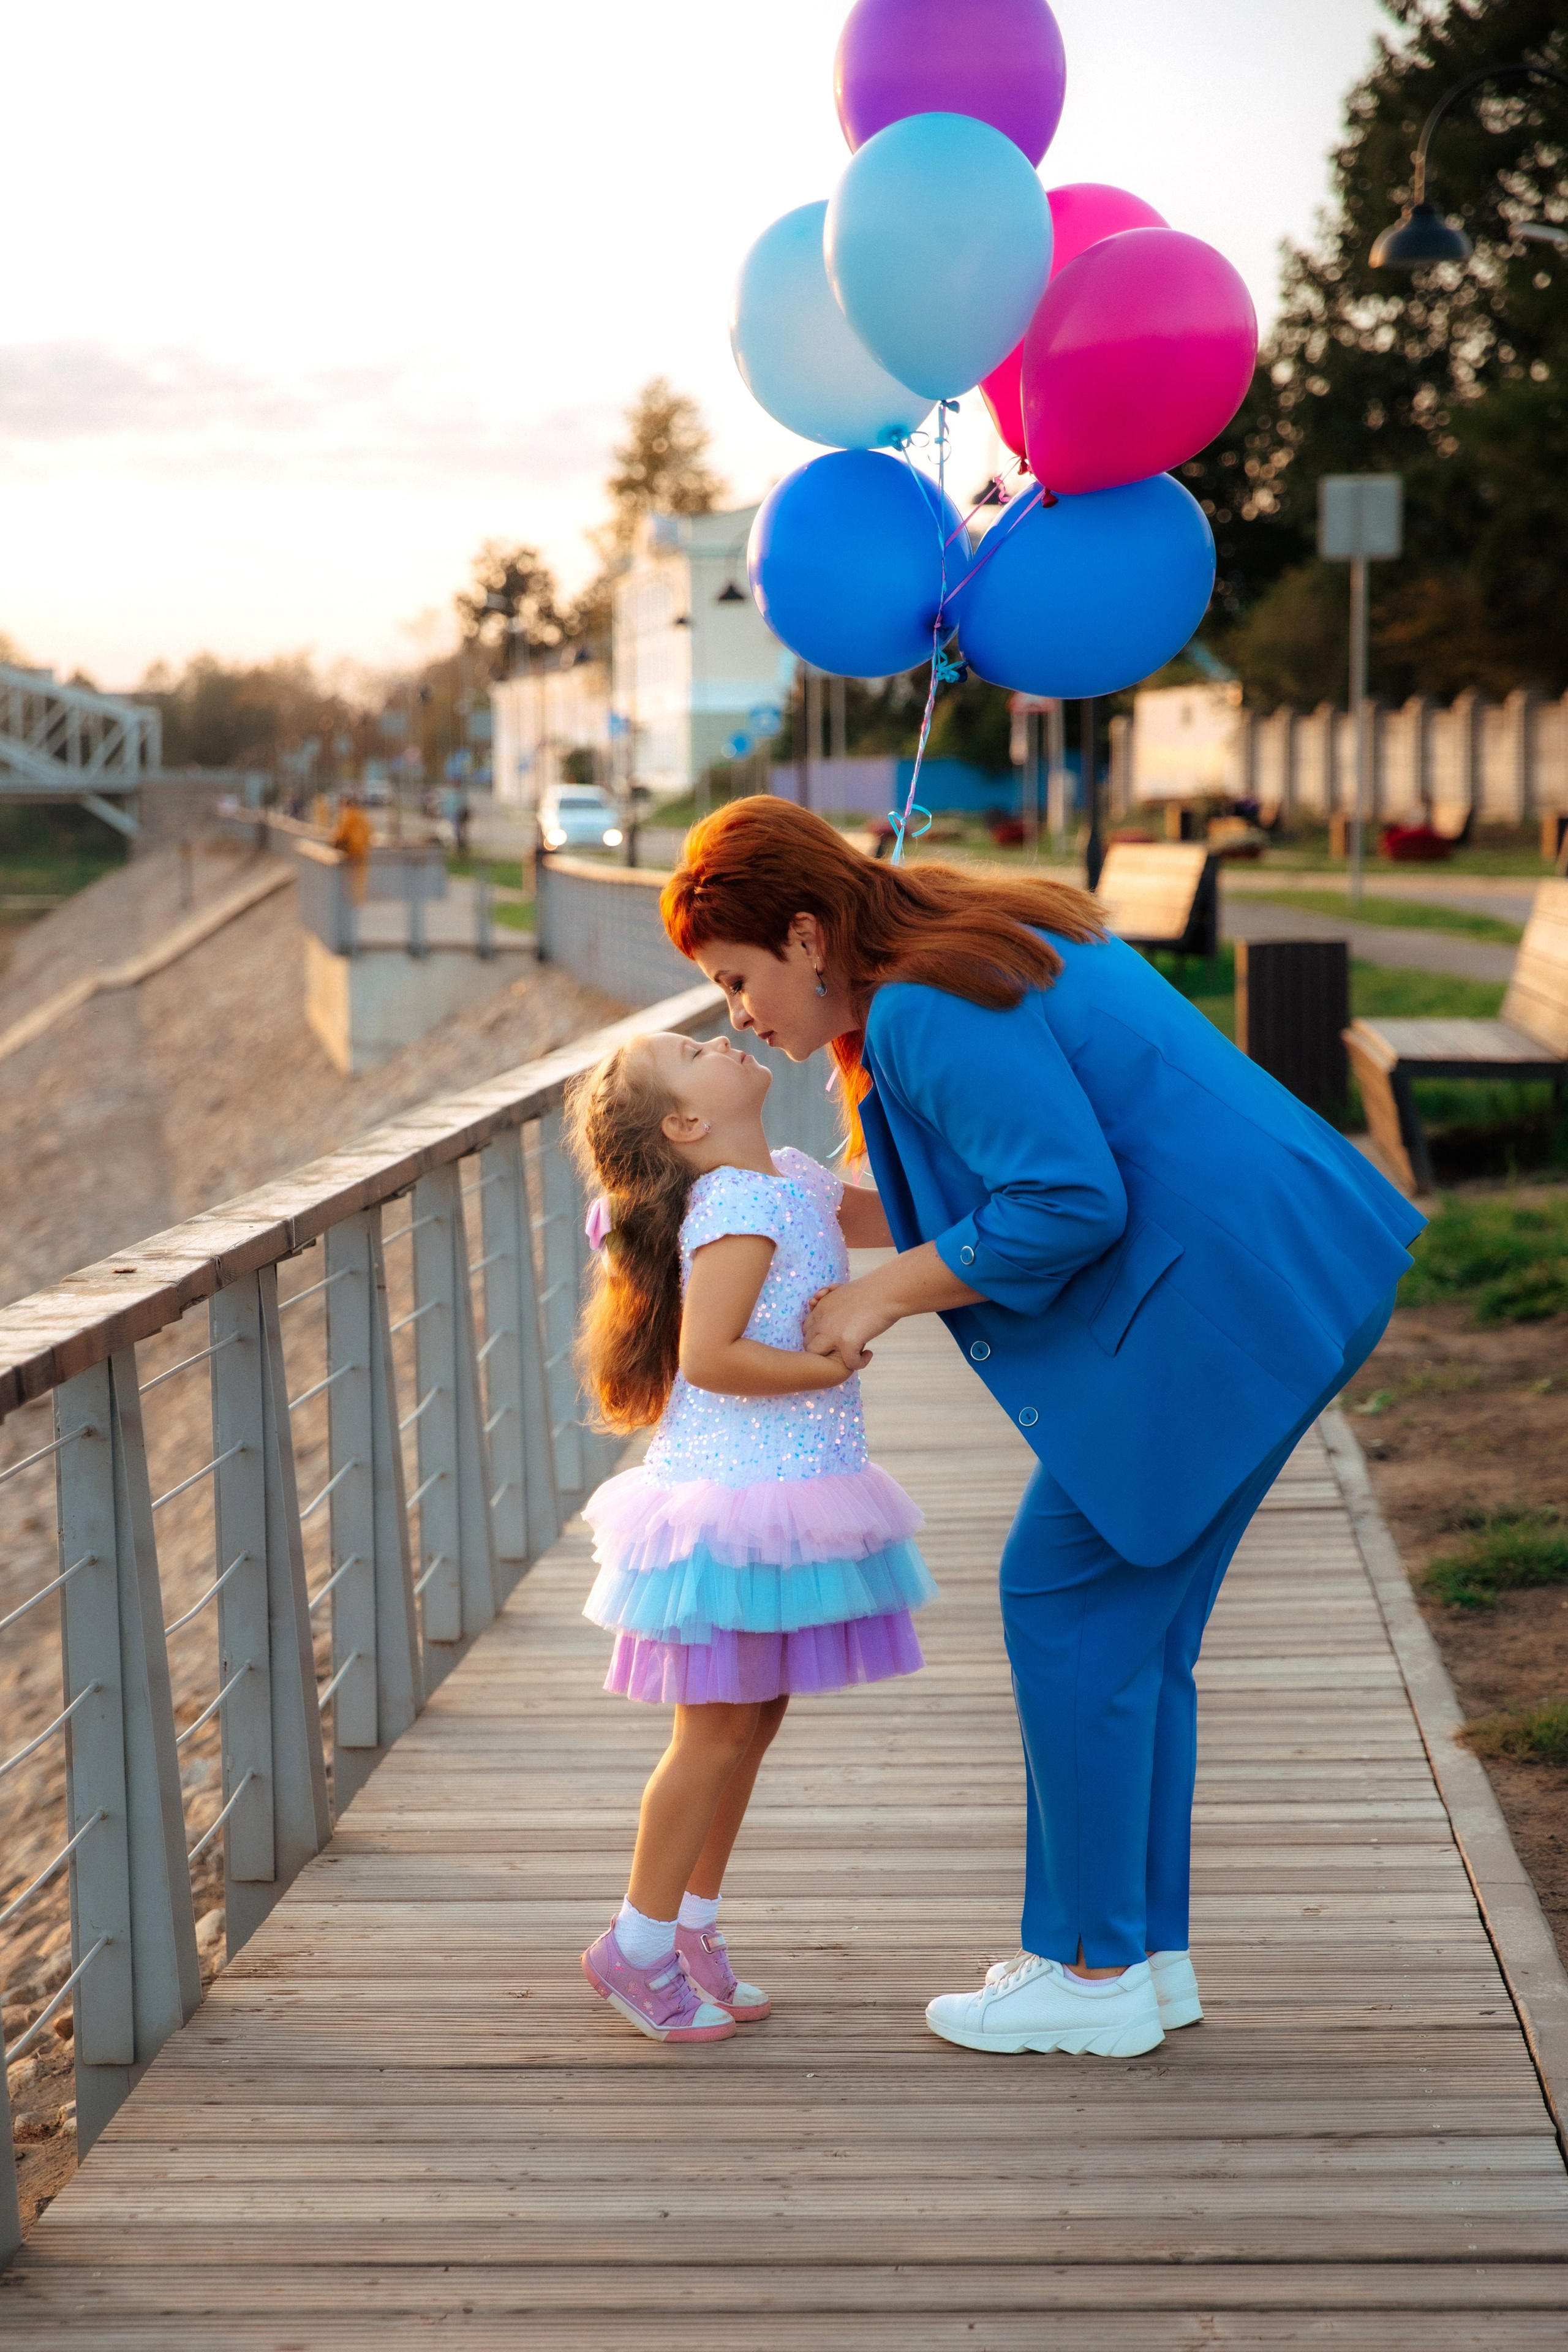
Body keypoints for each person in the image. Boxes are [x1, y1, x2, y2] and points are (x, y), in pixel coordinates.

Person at [660, 797, 1424, 2061]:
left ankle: (1089, 1968)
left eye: (735, 978)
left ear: (804, 936)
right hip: (1286, 1274)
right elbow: (1009, 1162)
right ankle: (1137, 1956)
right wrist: (810, 1210)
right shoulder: (969, 941)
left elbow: (1064, 1200)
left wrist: (877, 1295)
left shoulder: (921, 1006)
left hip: (1228, 1309)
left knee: (1064, 1600)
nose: (737, 1013)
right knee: (1129, 1635)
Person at [565, 1027, 935, 2045]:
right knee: (715, 1731)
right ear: (687, 1123)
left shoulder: (789, 1178)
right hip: (731, 1509)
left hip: (789, 1497)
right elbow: (713, 1357)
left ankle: (692, 1927)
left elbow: (909, 1206)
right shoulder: (734, 1206)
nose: (725, 1035)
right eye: (696, 1049)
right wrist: (822, 1370)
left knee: (754, 1720)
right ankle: (632, 1948)